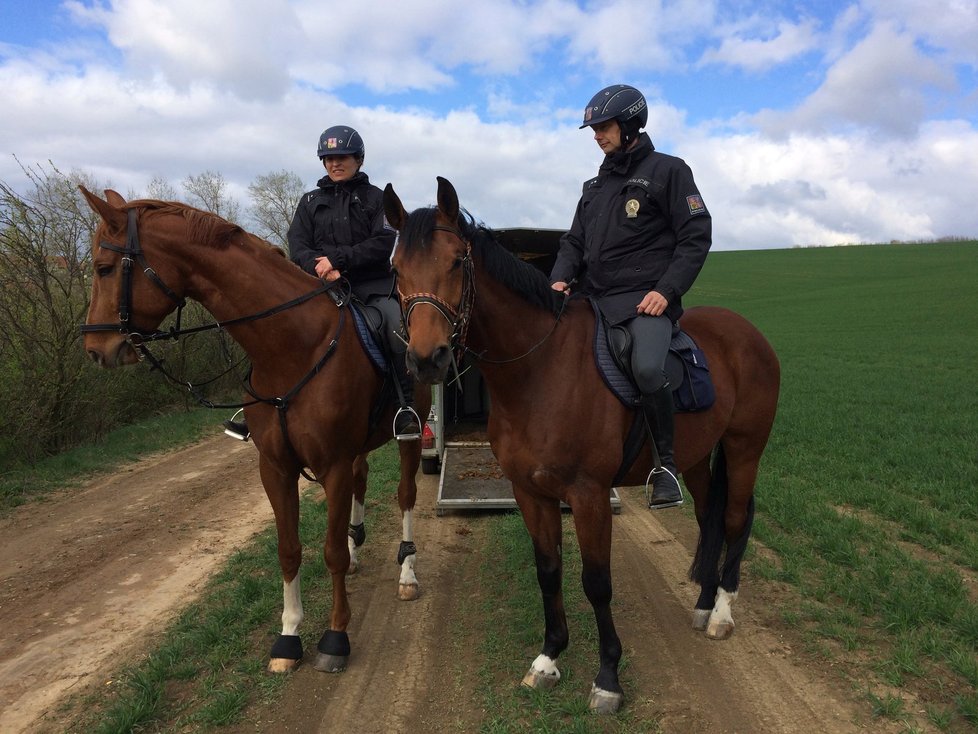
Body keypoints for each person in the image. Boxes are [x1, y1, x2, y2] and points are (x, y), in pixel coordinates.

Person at [550, 84, 712, 509]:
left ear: (630, 124)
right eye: (594, 129)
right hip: (595, 301)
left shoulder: (669, 171)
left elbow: (695, 237)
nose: (597, 135)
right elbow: (572, 243)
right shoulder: (594, 187)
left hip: (646, 303)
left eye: (603, 127)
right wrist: (560, 279)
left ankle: (666, 468)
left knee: (644, 367)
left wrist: (666, 290)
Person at [223, 125, 421, 442]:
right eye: (327, 158)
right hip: (320, 289)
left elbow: (385, 242)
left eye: (341, 156)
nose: (334, 163)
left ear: (358, 159)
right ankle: (256, 406)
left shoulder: (378, 199)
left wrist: (339, 261)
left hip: (372, 289)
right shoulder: (309, 201)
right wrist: (320, 268)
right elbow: (297, 244)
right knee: (272, 328)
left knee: (397, 330)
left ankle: (405, 408)